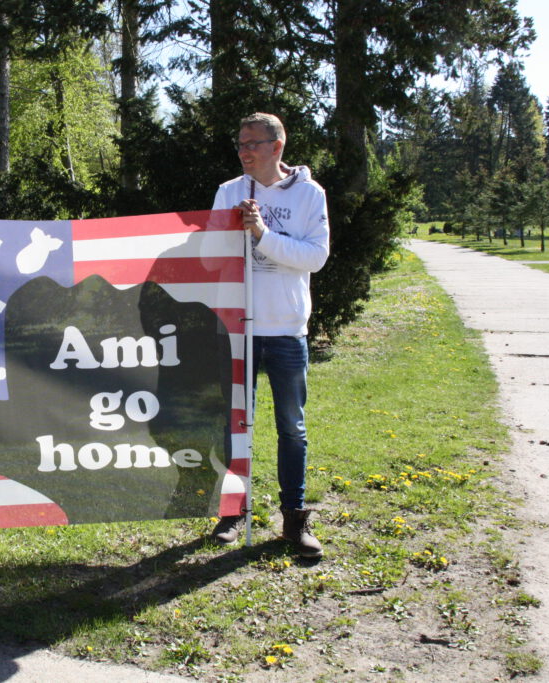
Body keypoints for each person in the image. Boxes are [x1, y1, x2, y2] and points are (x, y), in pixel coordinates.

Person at [209, 113, 330, 558]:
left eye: (252, 144)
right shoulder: (228, 191)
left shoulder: (308, 194)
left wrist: (261, 233)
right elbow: (210, 255)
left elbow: (315, 257)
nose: (244, 151)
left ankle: (294, 520)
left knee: (291, 429)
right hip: (237, 328)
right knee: (233, 425)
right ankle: (232, 511)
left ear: (277, 146)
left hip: (284, 330)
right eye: (240, 144)